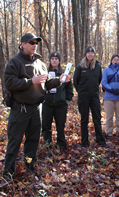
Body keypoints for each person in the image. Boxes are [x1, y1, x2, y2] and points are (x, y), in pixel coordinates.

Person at [1, 33, 70, 187]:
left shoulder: (40, 63)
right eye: (31, 42)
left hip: (37, 109)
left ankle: (29, 166)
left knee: (32, 143)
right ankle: (8, 174)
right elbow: (9, 83)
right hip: (20, 109)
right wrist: (30, 82)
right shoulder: (14, 62)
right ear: (22, 44)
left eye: (36, 42)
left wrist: (59, 80)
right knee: (14, 142)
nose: (34, 45)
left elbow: (45, 84)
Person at [73, 46, 106, 148]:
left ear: (94, 54)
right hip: (84, 96)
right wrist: (82, 91)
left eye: (92, 53)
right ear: (86, 54)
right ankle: (84, 142)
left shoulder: (97, 66)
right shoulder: (80, 66)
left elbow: (99, 79)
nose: (90, 54)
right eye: (88, 53)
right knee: (84, 120)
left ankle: (100, 140)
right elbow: (75, 81)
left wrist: (94, 88)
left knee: (97, 118)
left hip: (94, 95)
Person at [42, 51, 74, 151]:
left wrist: (67, 100)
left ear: (59, 61)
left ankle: (61, 145)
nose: (54, 61)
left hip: (60, 104)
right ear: (50, 60)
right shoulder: (45, 73)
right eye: (52, 59)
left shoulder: (64, 74)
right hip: (47, 104)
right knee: (46, 126)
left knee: (60, 125)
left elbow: (69, 88)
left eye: (56, 59)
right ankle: (47, 145)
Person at [102, 54, 119, 138]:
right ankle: (109, 132)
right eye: (114, 59)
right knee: (109, 117)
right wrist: (112, 89)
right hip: (109, 97)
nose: (116, 61)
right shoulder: (106, 70)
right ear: (111, 60)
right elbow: (104, 83)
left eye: (117, 60)